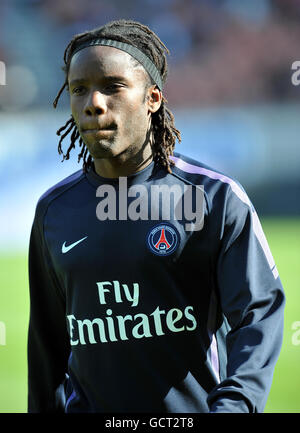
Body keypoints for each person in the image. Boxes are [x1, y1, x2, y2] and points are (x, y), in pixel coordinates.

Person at [27, 19, 285, 413]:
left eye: (112, 87)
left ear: (152, 98)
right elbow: (47, 350)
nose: (94, 103)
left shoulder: (213, 198)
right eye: (79, 89)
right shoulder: (54, 211)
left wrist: (235, 406)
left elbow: (258, 314)